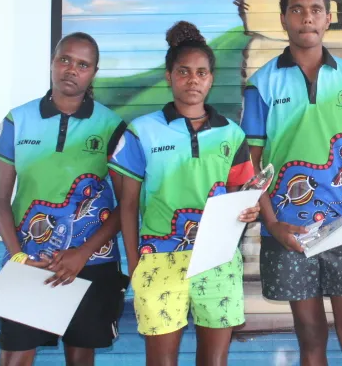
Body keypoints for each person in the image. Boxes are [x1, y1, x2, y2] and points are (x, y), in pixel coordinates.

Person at [240, 0, 342, 366]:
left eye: (315, 10)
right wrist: (272, 223)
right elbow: (250, 163)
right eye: (297, 10)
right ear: (284, 20)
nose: (306, 18)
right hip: (290, 229)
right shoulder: (261, 83)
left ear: (328, 19)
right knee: (310, 339)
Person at [108, 21, 259, 366]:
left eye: (202, 72)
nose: (193, 80)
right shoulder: (141, 130)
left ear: (211, 78)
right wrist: (135, 263)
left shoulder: (231, 135)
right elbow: (128, 205)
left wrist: (249, 212)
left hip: (217, 260)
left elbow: (238, 198)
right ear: (169, 75)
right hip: (158, 260)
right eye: (184, 71)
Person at [0, 32, 129, 366]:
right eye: (64, 59)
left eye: (82, 64)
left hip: (91, 262)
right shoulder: (17, 120)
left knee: (81, 358)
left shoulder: (111, 125)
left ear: (93, 72)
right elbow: (0, 199)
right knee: (15, 357)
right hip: (28, 261)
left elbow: (126, 206)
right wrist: (19, 257)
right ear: (52, 62)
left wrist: (81, 254)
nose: (71, 70)